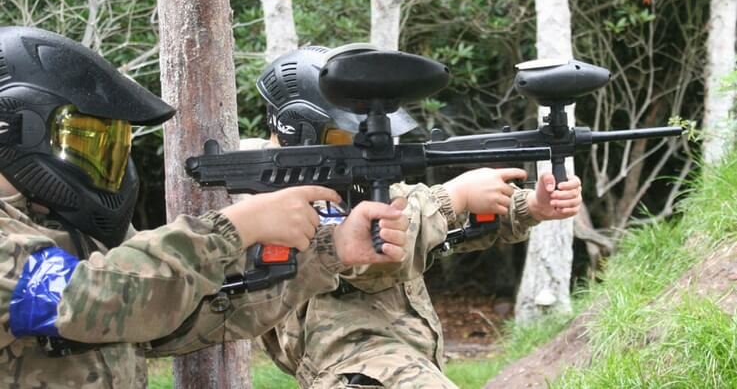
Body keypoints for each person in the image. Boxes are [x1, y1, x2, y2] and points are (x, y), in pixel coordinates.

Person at [0, 27, 411, 388]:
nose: (105, 163)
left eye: (112, 145)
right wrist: (232, 228)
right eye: (86, 141)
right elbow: (94, 297)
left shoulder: (61, 229)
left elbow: (175, 316)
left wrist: (331, 250)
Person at [243, 46, 583, 388]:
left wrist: (531, 206)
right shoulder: (273, 198)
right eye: (346, 135)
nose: (360, 146)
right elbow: (370, 256)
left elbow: (423, 220)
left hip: (392, 361)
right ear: (297, 129)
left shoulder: (343, 184)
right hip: (352, 367)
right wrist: (456, 196)